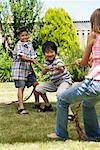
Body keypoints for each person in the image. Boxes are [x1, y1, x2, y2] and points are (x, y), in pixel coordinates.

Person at [47, 8, 100, 140]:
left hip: (94, 83)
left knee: (62, 99)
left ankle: (60, 133)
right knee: (88, 105)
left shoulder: (93, 35)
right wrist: (90, 61)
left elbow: (83, 62)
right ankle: (94, 135)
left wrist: (81, 62)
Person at [12, 27, 53, 114]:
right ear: (19, 37)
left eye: (26, 35)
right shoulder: (18, 45)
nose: (25, 37)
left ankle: (45, 104)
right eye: (22, 35)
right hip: (19, 71)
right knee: (21, 87)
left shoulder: (30, 45)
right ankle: (21, 107)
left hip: (28, 70)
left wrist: (35, 61)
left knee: (36, 85)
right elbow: (22, 57)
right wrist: (31, 60)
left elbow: (33, 56)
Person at [35, 41, 75, 119]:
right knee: (38, 88)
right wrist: (46, 68)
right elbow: (42, 73)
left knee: (60, 93)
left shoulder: (58, 60)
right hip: (54, 83)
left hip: (65, 81)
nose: (49, 54)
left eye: (51, 52)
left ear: (55, 52)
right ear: (44, 54)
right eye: (47, 52)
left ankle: (69, 112)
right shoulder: (46, 62)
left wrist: (59, 67)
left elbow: (62, 69)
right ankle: (47, 105)